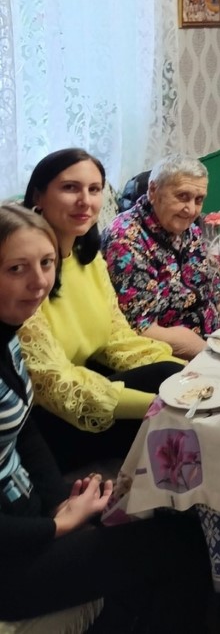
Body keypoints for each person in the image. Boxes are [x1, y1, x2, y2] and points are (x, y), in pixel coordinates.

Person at [0, 204, 215, 632]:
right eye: (16, 269)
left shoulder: (9, 336)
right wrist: (55, 526)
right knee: (182, 544)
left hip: (29, 514)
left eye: (46, 263)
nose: (39, 282)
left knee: (172, 514)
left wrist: (59, 499)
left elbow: (24, 430)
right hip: (11, 558)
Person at [18, 148, 183, 472]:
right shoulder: (26, 276)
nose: (85, 201)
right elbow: (55, 384)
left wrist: (193, 373)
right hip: (46, 418)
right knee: (176, 422)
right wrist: (158, 404)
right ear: (38, 196)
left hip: (88, 384)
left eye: (94, 189)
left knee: (172, 376)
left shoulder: (88, 258)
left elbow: (116, 337)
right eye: (70, 188)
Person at [102, 154, 220, 360]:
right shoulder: (125, 239)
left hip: (214, 341)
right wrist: (213, 356)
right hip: (174, 357)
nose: (191, 210)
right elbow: (141, 328)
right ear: (153, 191)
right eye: (182, 196)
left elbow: (216, 288)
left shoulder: (188, 229)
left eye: (199, 200)